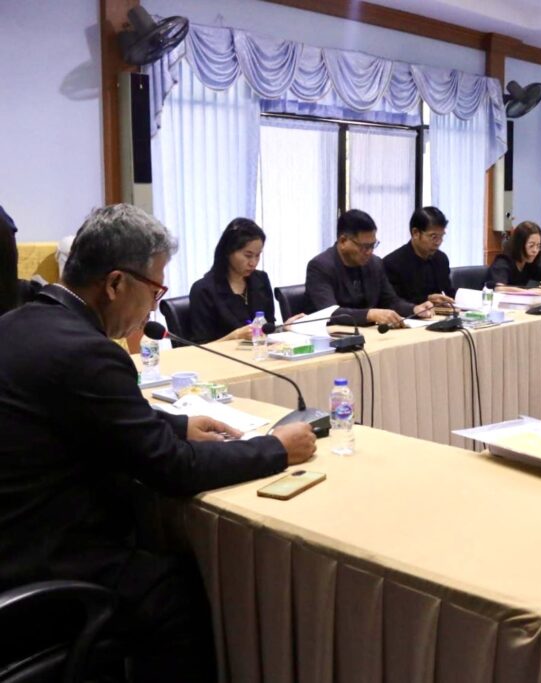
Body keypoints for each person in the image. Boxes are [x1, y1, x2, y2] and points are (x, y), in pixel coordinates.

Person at [0, 204, 317, 682]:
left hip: (11, 535)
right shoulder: (88, 352)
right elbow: (175, 470)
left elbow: (89, 412)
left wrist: (177, 424)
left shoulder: (19, 323)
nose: (153, 308)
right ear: (115, 284)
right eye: (155, 291)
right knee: (177, 587)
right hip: (41, 562)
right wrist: (276, 448)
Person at [305, 209, 433, 327]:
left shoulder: (375, 264)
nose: (369, 252)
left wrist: (414, 309)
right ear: (343, 241)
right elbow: (330, 313)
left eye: (373, 245)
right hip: (333, 336)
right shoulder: (320, 267)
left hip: (370, 333)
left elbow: (390, 301)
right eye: (365, 247)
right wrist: (369, 314)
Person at [189, 218, 297, 343]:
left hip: (261, 352)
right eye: (248, 255)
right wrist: (235, 336)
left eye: (258, 255)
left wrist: (285, 328)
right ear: (228, 251)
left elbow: (268, 328)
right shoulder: (204, 290)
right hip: (224, 355)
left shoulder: (261, 280)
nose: (253, 263)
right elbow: (200, 347)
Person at [383, 206, 455, 306]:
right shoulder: (393, 263)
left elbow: (448, 292)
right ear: (415, 233)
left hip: (442, 314)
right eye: (433, 237)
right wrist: (426, 300)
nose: (438, 242)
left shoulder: (441, 259)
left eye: (441, 236)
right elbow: (393, 302)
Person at [485, 221, 541, 292]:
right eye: (531, 245)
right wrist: (531, 292)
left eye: (538, 246)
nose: (535, 250)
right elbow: (500, 289)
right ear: (519, 244)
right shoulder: (503, 262)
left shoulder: (531, 263)